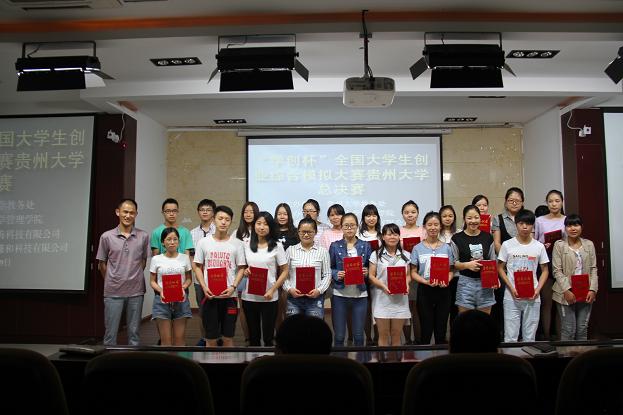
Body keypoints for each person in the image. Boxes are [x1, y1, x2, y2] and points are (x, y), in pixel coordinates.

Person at [96, 198, 150, 346]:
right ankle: (109, 360)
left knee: (134, 334)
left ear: (136, 214)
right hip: (113, 292)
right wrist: (112, 279)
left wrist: (133, 275)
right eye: (125, 212)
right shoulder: (106, 236)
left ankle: (132, 359)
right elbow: (102, 264)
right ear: (117, 212)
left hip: (136, 291)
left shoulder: (144, 236)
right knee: (110, 334)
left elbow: (143, 261)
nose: (128, 215)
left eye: (132, 213)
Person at [193, 205, 246, 347]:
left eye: (227, 219)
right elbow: (197, 266)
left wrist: (233, 286)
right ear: (213, 220)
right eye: (220, 218)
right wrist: (204, 287)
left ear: (231, 222)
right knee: (210, 339)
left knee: (228, 338)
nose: (223, 222)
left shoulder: (237, 244)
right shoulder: (203, 242)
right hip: (210, 296)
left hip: (230, 297)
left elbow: (242, 268)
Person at [236, 212, 288, 347]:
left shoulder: (277, 245)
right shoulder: (246, 245)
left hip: (269, 297)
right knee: (254, 338)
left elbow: (285, 270)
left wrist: (273, 290)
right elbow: (242, 267)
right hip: (249, 297)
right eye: (258, 223)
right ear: (254, 225)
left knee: (268, 338)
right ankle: (254, 359)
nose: (262, 227)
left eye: (265, 224)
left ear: (270, 227)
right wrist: (245, 270)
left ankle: (268, 360)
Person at [497, 209, 549, 342]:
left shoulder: (539, 246)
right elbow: (500, 268)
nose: (525, 227)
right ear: (516, 224)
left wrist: (538, 290)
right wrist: (511, 287)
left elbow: (545, 270)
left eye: (528, 224)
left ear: (533, 225)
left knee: (530, 337)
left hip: (533, 296)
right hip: (511, 296)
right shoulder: (507, 244)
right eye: (521, 223)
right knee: (510, 337)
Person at [552, 214, 598, 340]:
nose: (573, 228)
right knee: (568, 329)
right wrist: (567, 290)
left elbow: (593, 269)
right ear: (565, 228)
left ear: (582, 227)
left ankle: (582, 353)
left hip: (585, 292)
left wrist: (593, 289)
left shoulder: (589, 244)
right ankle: (567, 353)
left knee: (582, 328)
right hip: (565, 293)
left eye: (576, 225)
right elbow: (557, 270)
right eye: (569, 225)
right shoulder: (559, 245)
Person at [411, 212, 454, 344]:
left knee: (441, 330)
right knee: (426, 329)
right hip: (425, 291)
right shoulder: (417, 248)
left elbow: (451, 270)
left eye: (436, 224)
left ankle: (441, 356)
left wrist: (447, 280)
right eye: (429, 225)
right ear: (424, 227)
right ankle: (424, 355)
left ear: (440, 226)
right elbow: (413, 272)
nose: (433, 227)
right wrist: (425, 281)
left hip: (443, 291)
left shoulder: (447, 248)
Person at [329, 213, 372, 346]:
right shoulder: (335, 246)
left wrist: (367, 271)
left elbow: (371, 267)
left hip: (360, 294)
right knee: (339, 336)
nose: (349, 228)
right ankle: (338, 360)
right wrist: (336, 274)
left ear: (357, 226)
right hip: (340, 294)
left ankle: (360, 359)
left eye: (352, 225)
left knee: (359, 336)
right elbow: (329, 268)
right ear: (341, 227)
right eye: (346, 225)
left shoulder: (365, 245)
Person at [368, 223, 411, 346]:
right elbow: (371, 276)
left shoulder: (406, 255)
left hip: (400, 300)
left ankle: (395, 359)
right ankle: (383, 359)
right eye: (389, 234)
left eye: (395, 234)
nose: (392, 237)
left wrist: (407, 284)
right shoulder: (376, 254)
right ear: (383, 237)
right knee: (383, 334)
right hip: (382, 299)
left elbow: (408, 275)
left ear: (399, 237)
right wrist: (383, 286)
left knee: (396, 334)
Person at [149, 227, 193, 346]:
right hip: (162, 301)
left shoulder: (185, 258)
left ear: (179, 241)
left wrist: (183, 287)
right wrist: (161, 290)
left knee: (180, 340)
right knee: (166, 341)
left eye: (175, 239)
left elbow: (189, 278)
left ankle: (181, 359)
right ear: (163, 242)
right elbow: (152, 281)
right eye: (168, 239)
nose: (172, 242)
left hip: (181, 300)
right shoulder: (156, 259)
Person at [452, 205, 498, 314]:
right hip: (465, 283)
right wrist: (467, 265)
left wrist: (494, 280)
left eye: (476, 217)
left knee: (484, 321)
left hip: (485, 283)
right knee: (465, 321)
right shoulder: (457, 238)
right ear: (464, 219)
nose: (473, 221)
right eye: (469, 218)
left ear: (480, 218)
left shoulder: (488, 237)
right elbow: (454, 263)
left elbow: (493, 261)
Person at [491, 187, 525, 335]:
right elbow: (497, 243)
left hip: (525, 267)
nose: (514, 203)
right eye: (511, 200)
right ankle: (504, 334)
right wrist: (509, 259)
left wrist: (521, 259)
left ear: (522, 202)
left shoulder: (527, 219)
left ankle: (524, 335)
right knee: (503, 300)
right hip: (504, 266)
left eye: (517, 200)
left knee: (524, 299)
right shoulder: (497, 219)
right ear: (505, 202)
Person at [283, 217, 331, 318]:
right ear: (298, 232)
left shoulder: (323, 252)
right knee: (293, 326)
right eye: (303, 232)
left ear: (315, 232)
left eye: (309, 232)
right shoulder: (290, 250)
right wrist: (289, 289)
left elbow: (327, 274)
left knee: (314, 327)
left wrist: (319, 290)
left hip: (315, 299)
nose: (306, 235)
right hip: (293, 299)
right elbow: (284, 274)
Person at [534, 189, 566, 340]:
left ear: (562, 202)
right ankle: (546, 336)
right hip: (545, 262)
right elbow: (534, 242)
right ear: (547, 203)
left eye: (557, 201)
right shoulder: (539, 220)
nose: (554, 204)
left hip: (563, 263)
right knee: (546, 302)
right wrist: (543, 246)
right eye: (551, 201)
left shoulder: (567, 220)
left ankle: (560, 338)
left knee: (561, 302)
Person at [190, 198, 217, 345]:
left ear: (213, 213)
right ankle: (204, 338)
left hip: (217, 278)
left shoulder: (219, 231)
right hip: (198, 280)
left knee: (217, 310)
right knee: (202, 311)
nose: (205, 212)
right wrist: (197, 273)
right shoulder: (192, 233)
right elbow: (191, 257)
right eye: (202, 210)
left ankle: (217, 337)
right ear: (198, 212)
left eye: (208, 210)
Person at [400, 200, 426, 344]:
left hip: (419, 273)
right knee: (405, 307)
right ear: (402, 214)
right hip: (403, 273)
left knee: (417, 308)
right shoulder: (398, 231)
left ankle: (419, 340)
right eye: (406, 212)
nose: (410, 215)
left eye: (413, 212)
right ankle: (407, 340)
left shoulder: (424, 230)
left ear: (418, 213)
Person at [357, 204, 382, 346]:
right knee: (365, 307)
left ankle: (378, 336)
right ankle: (368, 337)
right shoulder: (358, 235)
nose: (371, 218)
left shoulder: (382, 234)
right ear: (363, 218)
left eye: (374, 215)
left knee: (378, 306)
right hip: (362, 274)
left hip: (379, 274)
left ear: (377, 217)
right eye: (368, 215)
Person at [235, 201, 259, 344]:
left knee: (258, 306)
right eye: (245, 212)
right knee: (243, 308)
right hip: (242, 275)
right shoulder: (237, 233)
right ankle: (248, 337)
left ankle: (258, 337)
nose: (248, 214)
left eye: (251, 211)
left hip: (259, 275)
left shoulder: (261, 230)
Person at [274, 202, 299, 328]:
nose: (282, 216)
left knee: (288, 303)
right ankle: (278, 331)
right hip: (273, 271)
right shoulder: (271, 232)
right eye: (279, 214)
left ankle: (289, 330)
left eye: (285, 214)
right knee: (276, 304)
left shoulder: (295, 232)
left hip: (290, 272)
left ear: (289, 215)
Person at [439, 204, 459, 328]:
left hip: (457, 276)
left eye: (450, 216)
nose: (447, 218)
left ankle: (454, 334)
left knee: (455, 309)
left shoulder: (459, 233)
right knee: (442, 309)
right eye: (444, 216)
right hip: (440, 276)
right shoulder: (436, 233)